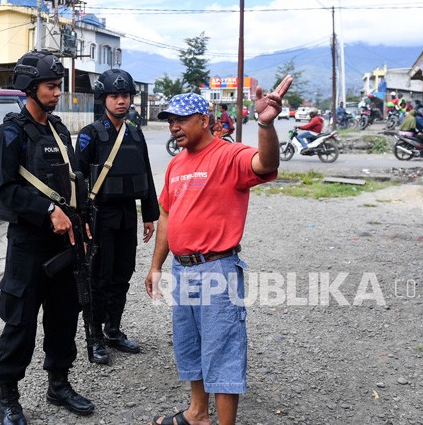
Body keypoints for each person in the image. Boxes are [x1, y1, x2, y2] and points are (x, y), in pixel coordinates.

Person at [145, 78, 292, 425]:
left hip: (217, 269)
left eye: (180, 119)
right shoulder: (176, 164)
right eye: (169, 121)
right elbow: (166, 215)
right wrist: (156, 266)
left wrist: (266, 125)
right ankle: (197, 413)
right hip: (182, 269)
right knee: (190, 344)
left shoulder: (229, 155)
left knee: (223, 349)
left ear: (205, 119)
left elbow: (266, 164)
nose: (173, 127)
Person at [0, 51, 94, 424]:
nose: (57, 93)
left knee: (64, 314)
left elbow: (72, 182)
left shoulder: (60, 130)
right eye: (51, 87)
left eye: (58, 87)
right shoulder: (12, 132)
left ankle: (59, 383)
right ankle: (8, 396)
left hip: (65, 242)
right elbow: (6, 191)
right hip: (28, 244)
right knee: (20, 321)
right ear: (30, 88)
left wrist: (80, 219)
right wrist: (48, 211)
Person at [74, 69, 159, 365]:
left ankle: (113, 329)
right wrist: (81, 218)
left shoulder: (135, 132)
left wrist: (149, 214)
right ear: (104, 99)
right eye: (115, 96)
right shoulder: (90, 135)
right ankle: (94, 336)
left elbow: (145, 173)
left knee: (123, 274)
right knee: (99, 276)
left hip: (127, 215)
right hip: (99, 216)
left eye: (125, 96)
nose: (121, 101)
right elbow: (78, 180)